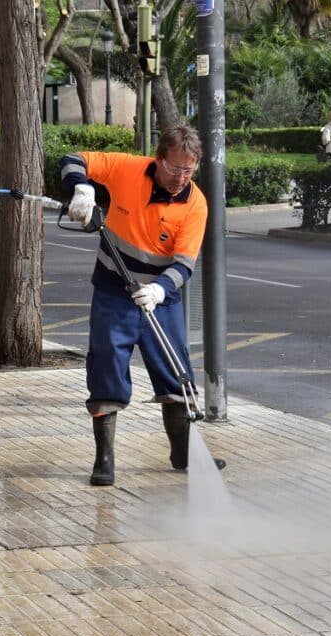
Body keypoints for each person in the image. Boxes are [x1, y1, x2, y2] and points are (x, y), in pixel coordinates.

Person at [60, 125, 225, 486]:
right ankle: (104, 460)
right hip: (112, 292)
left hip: (160, 301)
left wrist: (158, 291)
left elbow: (184, 265)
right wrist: (81, 187)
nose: (181, 178)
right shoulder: (127, 169)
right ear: (158, 159)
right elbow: (74, 159)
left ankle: (183, 453)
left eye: (189, 170)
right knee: (105, 369)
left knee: (176, 375)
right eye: (174, 168)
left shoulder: (195, 204)